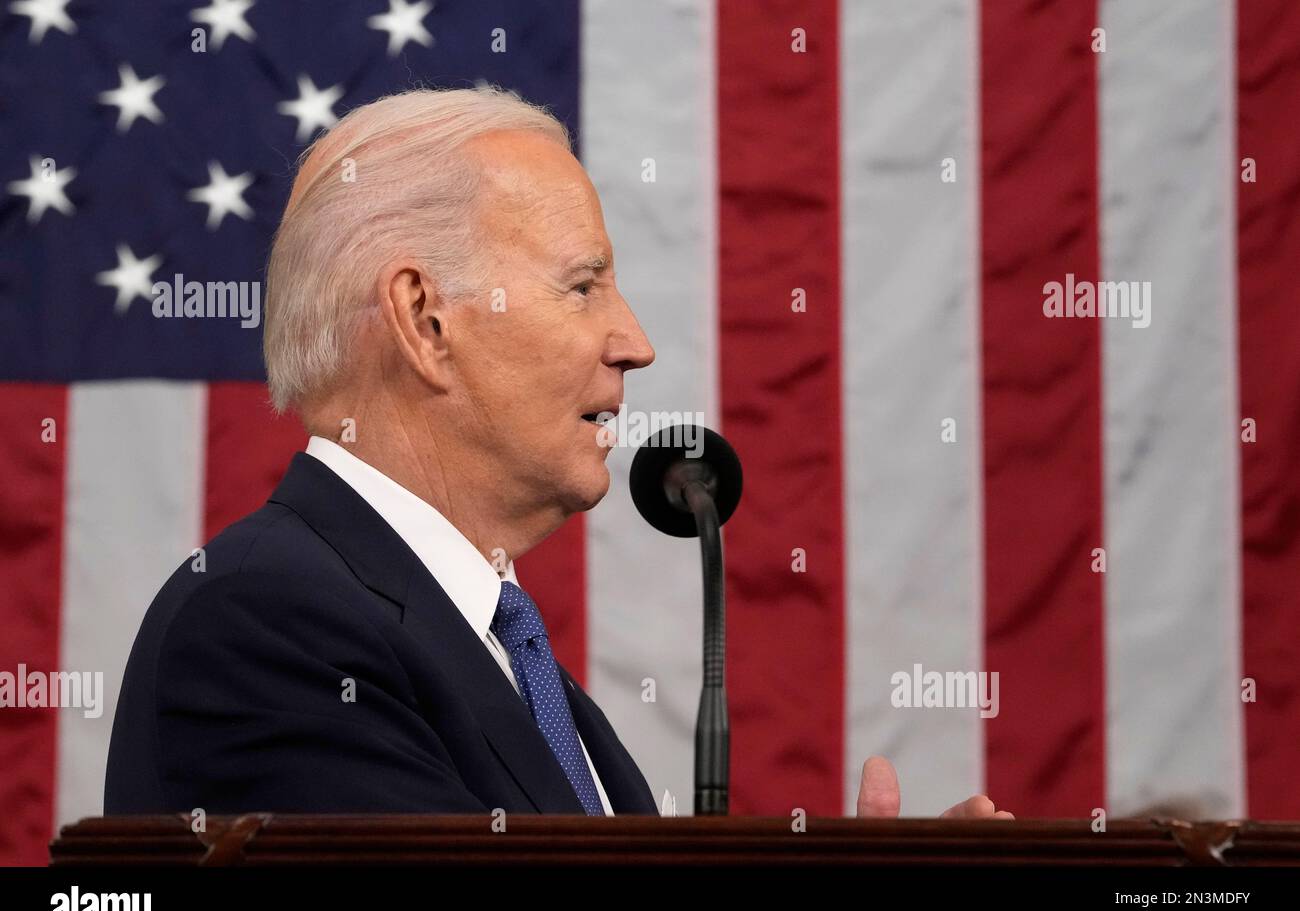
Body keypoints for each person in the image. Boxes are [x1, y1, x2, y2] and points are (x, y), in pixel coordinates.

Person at [105, 86, 1012, 821]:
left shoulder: (493, 646)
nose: (635, 342)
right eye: (583, 286)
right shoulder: (267, 625)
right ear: (425, 320)